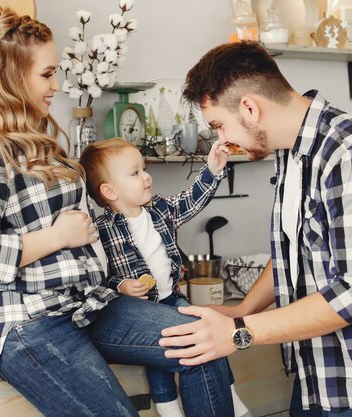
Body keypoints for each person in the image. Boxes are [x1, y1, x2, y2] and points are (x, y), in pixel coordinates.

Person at [0, 6, 235, 417]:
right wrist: (57, 237)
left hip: (87, 305)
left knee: (204, 341)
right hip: (27, 320)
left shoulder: (44, 145)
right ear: (13, 76)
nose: (57, 84)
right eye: (47, 74)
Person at [158, 41, 352, 416]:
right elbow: (293, 252)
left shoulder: (351, 154)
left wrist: (240, 332)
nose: (221, 140)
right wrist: (242, 310)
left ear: (249, 108)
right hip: (321, 370)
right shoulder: (291, 151)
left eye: (219, 125)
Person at [79, 139, 250, 417]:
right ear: (109, 191)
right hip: (141, 308)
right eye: (135, 173)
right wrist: (121, 285)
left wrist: (213, 169)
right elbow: (100, 276)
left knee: (207, 326)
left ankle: (229, 393)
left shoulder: (159, 209)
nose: (146, 177)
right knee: (168, 346)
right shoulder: (103, 230)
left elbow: (191, 200)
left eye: (144, 169)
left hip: (172, 298)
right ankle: (167, 405)